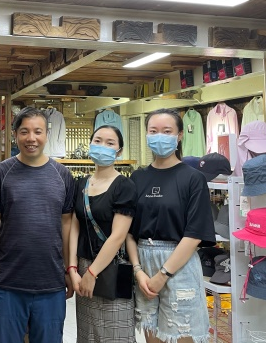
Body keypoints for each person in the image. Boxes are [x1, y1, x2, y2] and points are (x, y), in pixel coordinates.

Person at [0, 106, 76, 343]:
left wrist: (68, 269)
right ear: (15, 135)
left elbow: (67, 226)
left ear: (46, 135)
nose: (31, 138)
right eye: (24, 132)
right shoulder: (1, 173)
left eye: (37, 131)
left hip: (51, 283)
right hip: (8, 282)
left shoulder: (63, 175)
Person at [125, 108, 215, 343]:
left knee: (181, 335)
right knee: (152, 337)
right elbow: (129, 232)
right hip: (143, 265)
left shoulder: (193, 178)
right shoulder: (137, 178)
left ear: (180, 135)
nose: (159, 137)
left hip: (179, 265)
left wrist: (163, 274)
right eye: (153, 131)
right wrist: (138, 271)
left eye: (167, 131)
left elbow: (194, 234)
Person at [68, 125, 137, 343]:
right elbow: (75, 226)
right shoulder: (81, 183)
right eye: (97, 141)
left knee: (115, 335)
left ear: (119, 151)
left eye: (110, 143)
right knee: (88, 335)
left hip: (111, 269)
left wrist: (92, 273)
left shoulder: (124, 186)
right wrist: (72, 268)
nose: (102, 146)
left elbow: (118, 236)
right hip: (83, 267)